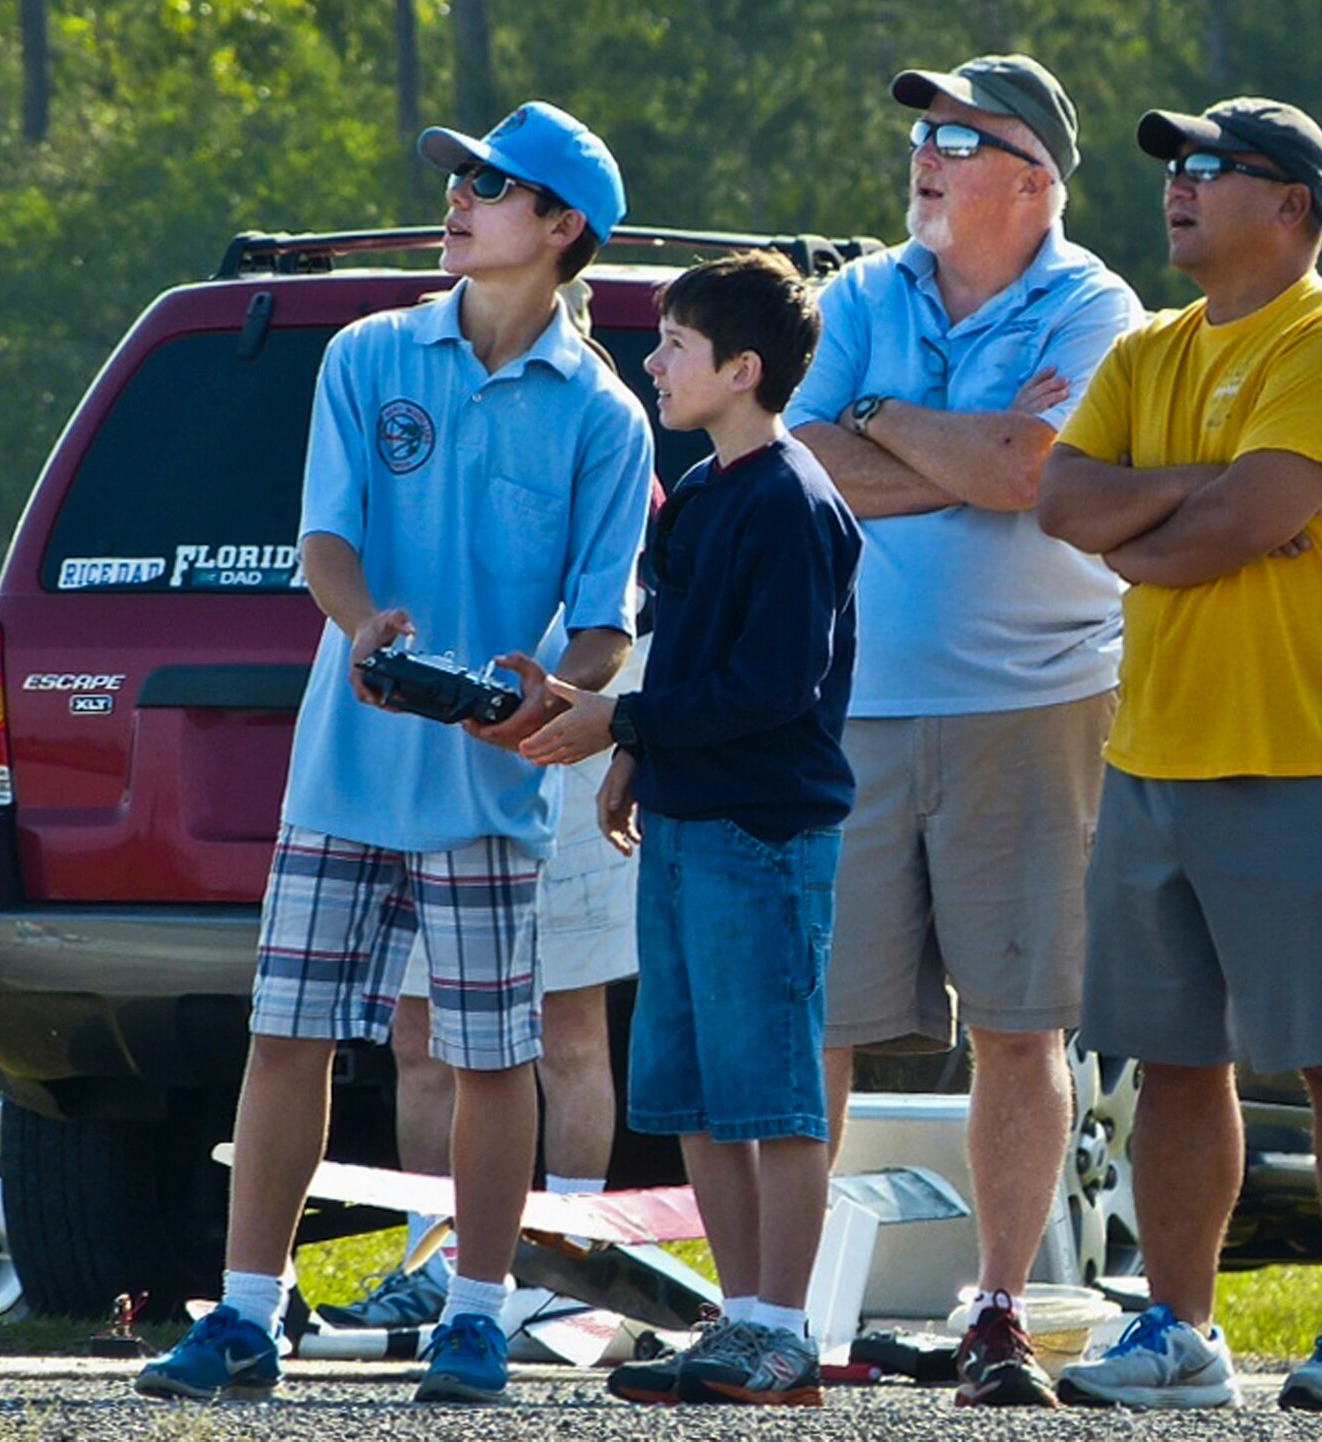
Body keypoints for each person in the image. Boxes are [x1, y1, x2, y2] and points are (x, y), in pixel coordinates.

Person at [132, 100, 654, 1407]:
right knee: (288, 1034)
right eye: (459, 179)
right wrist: (365, 625)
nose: (457, 200)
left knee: (492, 1055)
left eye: (488, 184)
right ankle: (247, 1314)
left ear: (561, 228)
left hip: (490, 787)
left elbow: (602, 625)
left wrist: (554, 690)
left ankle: (475, 1316)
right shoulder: (368, 353)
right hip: (343, 773)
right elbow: (325, 541)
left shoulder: (607, 415)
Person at [1040, 98, 1322, 1414]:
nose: (1181, 185)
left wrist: (1161, 521)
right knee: (1173, 1059)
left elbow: (1238, 521)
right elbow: (1062, 500)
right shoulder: (1150, 349)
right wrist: (1182, 512)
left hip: (1306, 755)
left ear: (1296, 206)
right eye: (1177, 166)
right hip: (1155, 756)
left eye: (1215, 167)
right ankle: (1181, 1330)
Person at [781, 54, 1141, 1409]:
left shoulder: (1097, 303)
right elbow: (800, 457)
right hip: (852, 701)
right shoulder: (864, 292)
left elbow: (1031, 475)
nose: (923, 152)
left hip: (1036, 704)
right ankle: (785, 1309)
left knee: (1017, 1020)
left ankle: (995, 1308)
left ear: (1035, 176)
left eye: (958, 135)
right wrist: (941, 443)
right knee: (817, 1018)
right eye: (921, 131)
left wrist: (881, 425)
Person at [523, 249, 859, 1408]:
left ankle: (782, 1327)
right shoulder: (706, 496)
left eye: (672, 344)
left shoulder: (793, 502)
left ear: (742, 368)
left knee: (770, 1090)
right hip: (679, 821)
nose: (650, 361)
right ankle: (737, 1322)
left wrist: (624, 715)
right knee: (699, 1090)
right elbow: (684, 664)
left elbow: (768, 688)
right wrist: (632, 752)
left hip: (762, 835)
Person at [322, 645, 647, 1334]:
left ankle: (573, 1278)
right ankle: (433, 1269)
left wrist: (572, 700)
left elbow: (611, 611)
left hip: (557, 740)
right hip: (414, 759)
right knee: (421, 1043)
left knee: (569, 1037)